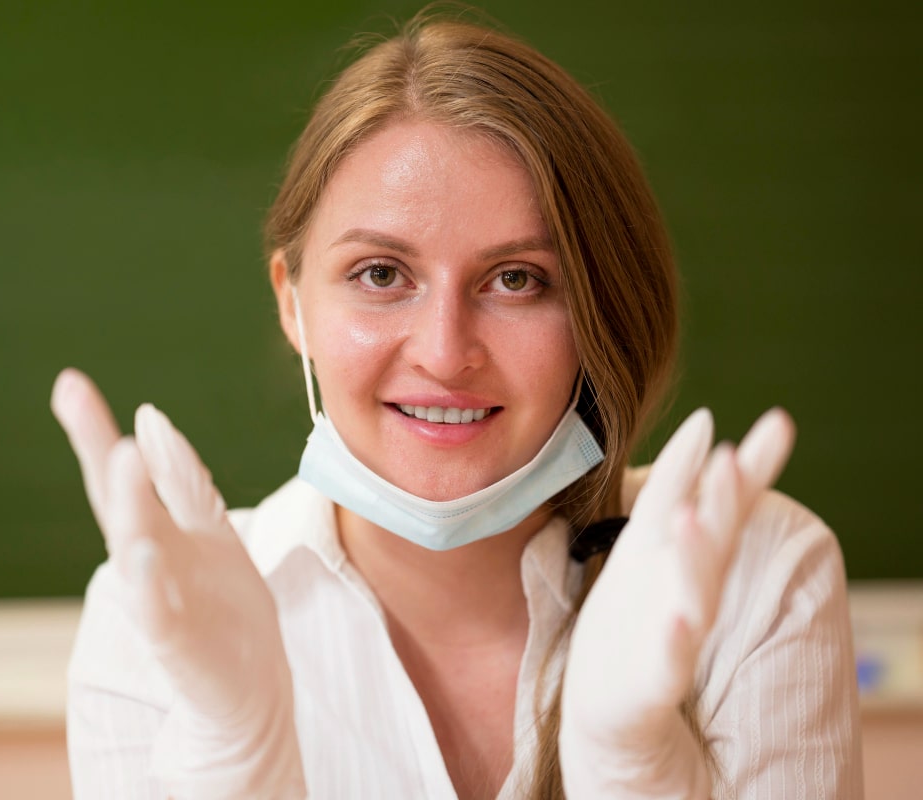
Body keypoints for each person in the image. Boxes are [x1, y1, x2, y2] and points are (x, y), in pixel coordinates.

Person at [53, 10, 863, 800]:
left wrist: (636, 772)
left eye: (517, 279)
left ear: (600, 311)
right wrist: (234, 767)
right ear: (293, 303)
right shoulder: (159, 615)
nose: (444, 352)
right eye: (380, 274)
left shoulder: (751, 579)